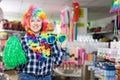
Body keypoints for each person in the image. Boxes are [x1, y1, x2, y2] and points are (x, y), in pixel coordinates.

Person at [16, 5, 67, 80]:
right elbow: (18, 67)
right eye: (32, 20)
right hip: (26, 77)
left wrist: (63, 48)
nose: (35, 23)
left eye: (38, 20)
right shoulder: (22, 41)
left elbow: (57, 62)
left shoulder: (50, 39)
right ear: (28, 23)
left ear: (42, 22)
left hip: (46, 77)